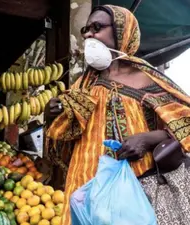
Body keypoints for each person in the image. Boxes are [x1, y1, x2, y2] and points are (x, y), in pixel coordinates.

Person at [45, 4, 190, 225]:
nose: (89, 35)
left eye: (97, 27)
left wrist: (147, 139)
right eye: (86, 30)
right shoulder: (84, 84)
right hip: (86, 184)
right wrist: (56, 113)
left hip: (135, 186)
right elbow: (66, 136)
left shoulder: (148, 78)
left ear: (123, 32)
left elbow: (185, 123)